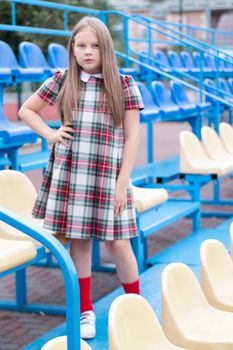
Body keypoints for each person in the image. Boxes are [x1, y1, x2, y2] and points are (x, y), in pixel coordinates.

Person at [19, 16, 144, 339]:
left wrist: (122, 182)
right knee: (80, 241)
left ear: (106, 49)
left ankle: (136, 305)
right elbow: (26, 110)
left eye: (95, 46)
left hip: (109, 176)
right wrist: (50, 133)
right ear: (73, 49)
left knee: (119, 243)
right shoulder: (62, 80)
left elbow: (132, 138)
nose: (88, 52)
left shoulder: (125, 84)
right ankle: (85, 309)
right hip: (73, 174)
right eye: (81, 45)